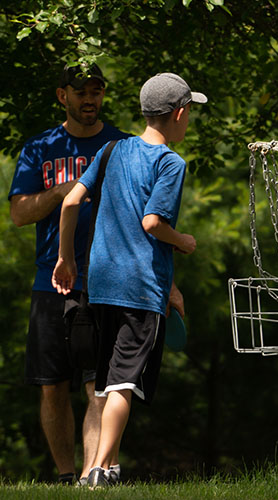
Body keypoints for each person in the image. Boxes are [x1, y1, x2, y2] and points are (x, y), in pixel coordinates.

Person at [51, 72, 205, 487]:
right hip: (140, 288)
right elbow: (153, 222)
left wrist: (66, 258)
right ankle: (99, 470)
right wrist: (184, 241)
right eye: (190, 114)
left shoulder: (111, 148)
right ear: (179, 113)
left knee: (107, 380)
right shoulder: (171, 162)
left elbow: (70, 202)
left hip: (100, 284)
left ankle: (109, 466)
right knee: (123, 383)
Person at [8, 62, 130, 485]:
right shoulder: (40, 148)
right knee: (51, 385)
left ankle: (90, 474)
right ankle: (63, 476)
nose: (90, 99)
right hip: (50, 282)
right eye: (82, 92)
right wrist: (62, 192)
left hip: (105, 282)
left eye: (96, 91)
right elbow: (18, 214)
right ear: (64, 95)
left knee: (97, 383)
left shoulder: (121, 146)